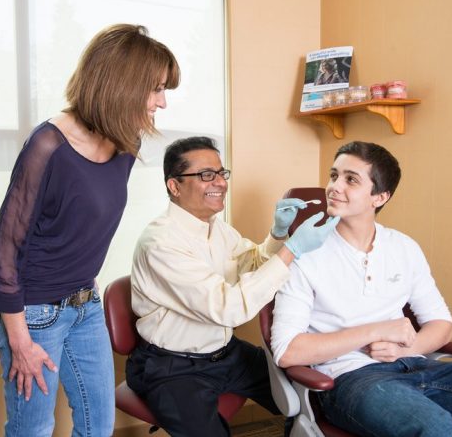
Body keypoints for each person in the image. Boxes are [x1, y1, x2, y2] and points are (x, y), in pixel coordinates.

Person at [271, 141, 452, 436]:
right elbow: (288, 352)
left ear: (380, 196)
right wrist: (376, 331)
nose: (334, 186)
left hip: (422, 366)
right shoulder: (304, 252)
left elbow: (442, 325)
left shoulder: (404, 247)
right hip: (353, 379)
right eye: (334, 175)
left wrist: (408, 348)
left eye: (351, 179)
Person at [0, 24, 180, 437]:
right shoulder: (48, 147)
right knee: (33, 430)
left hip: (85, 305)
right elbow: (5, 252)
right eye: (156, 89)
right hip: (34, 314)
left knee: (98, 426)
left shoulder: (127, 141)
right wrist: (20, 341)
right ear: (122, 85)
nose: (162, 102)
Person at [125, 136, 338, 437]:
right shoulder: (161, 243)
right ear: (174, 186)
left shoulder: (218, 227)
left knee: (312, 397)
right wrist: (292, 249)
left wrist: (277, 235)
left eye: (221, 173)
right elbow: (229, 308)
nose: (220, 183)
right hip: (174, 366)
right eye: (205, 175)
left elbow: (252, 263)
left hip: (226, 353)